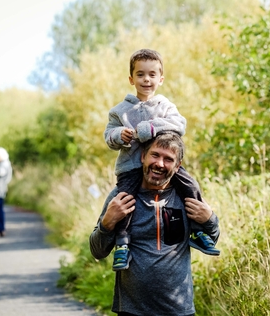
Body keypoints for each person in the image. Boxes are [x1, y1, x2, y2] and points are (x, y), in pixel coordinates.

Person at [104, 48, 219, 271]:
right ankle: (122, 244)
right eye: (140, 74)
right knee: (126, 201)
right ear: (131, 79)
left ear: (161, 79)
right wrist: (119, 135)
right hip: (131, 167)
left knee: (190, 186)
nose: (146, 79)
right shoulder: (120, 111)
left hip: (165, 167)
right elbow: (108, 136)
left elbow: (179, 125)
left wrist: (151, 128)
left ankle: (197, 230)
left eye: (152, 74)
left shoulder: (164, 106)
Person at [90, 132, 220, 315]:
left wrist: (210, 219)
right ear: (143, 156)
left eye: (168, 159)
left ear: (177, 166)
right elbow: (98, 251)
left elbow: (212, 239)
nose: (159, 164)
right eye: (155, 155)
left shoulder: (186, 197)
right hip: (131, 310)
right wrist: (107, 223)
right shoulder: (121, 197)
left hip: (179, 310)